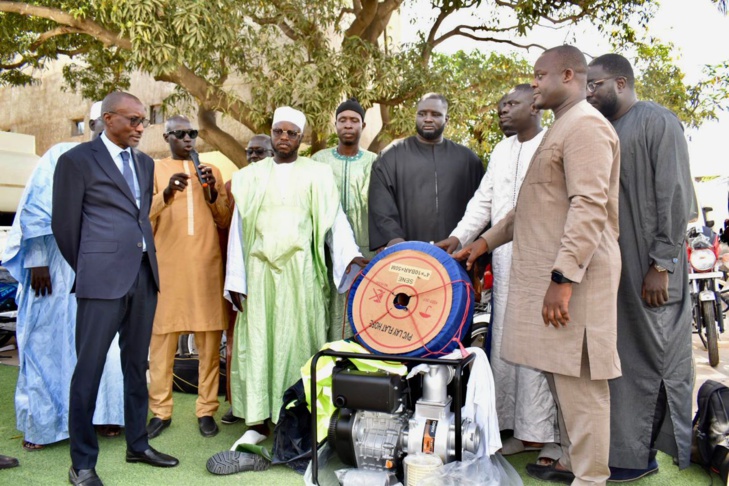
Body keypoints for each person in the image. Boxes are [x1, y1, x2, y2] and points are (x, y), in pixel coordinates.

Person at [456, 45, 621, 485]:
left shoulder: (585, 127)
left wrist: (563, 279)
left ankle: (591, 478)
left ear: (567, 76)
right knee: (562, 384)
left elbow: (589, 207)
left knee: (582, 391)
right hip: (556, 281)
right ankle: (572, 464)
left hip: (575, 284)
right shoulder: (562, 128)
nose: (533, 86)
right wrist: (483, 243)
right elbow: (529, 208)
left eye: (539, 77)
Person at [52, 92, 179, 486]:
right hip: (100, 281)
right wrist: (93, 266)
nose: (142, 127)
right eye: (134, 120)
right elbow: (65, 228)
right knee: (88, 371)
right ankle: (83, 463)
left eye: (144, 120)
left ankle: (137, 444)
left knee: (135, 365)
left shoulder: (143, 163)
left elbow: (140, 216)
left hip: (143, 276)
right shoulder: (75, 161)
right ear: (108, 119)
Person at [436, 85, 560, 465]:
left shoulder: (553, 144)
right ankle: (518, 429)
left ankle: (550, 436)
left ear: (535, 106)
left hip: (544, 258)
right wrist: (459, 237)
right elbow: (483, 202)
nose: (503, 111)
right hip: (503, 260)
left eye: (511, 104)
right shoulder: (501, 151)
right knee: (507, 342)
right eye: (500, 105)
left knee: (543, 347)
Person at [225, 106, 366, 435]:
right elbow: (238, 230)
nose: (284, 138)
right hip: (259, 273)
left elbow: (335, 219)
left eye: (292, 133)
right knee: (259, 344)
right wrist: (235, 279)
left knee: (298, 345)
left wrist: (350, 255)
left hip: (301, 274)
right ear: (271, 134)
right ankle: (258, 420)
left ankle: (296, 418)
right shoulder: (250, 177)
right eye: (279, 132)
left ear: (301, 139)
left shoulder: (316, 174)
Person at [587, 53, 694, 481]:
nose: (589, 92)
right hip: (618, 270)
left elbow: (675, 197)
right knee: (625, 361)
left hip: (652, 269)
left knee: (657, 359)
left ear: (621, 83)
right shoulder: (606, 129)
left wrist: (663, 264)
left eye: (595, 85)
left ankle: (642, 456)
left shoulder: (657, 121)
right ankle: (625, 454)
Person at [2, 103, 125, 453]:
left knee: (104, 345)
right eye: (105, 121)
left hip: (101, 267)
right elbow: (37, 208)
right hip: (55, 269)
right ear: (93, 123)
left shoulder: (124, 161)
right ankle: (43, 425)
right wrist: (37, 260)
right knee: (47, 345)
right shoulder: (62, 153)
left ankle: (105, 415)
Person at [146, 115, 231, 439]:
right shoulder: (155, 170)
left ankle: (206, 409)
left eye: (192, 134)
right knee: (162, 345)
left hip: (207, 268)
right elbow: (144, 216)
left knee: (209, 346)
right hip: (167, 269)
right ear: (167, 137)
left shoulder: (212, 169)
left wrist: (210, 190)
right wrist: (166, 193)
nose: (188, 139)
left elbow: (223, 218)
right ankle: (161, 411)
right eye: (180, 134)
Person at [368, 93, 484, 251]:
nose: (428, 119)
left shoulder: (468, 161)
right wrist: (395, 243)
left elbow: (481, 208)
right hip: (404, 258)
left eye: (435, 114)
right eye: (422, 114)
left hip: (455, 257)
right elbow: (380, 206)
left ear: (446, 119)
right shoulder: (391, 156)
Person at [312, 98, 377, 340]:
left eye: (354, 120)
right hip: (326, 249)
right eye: (343, 120)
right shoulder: (318, 160)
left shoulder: (374, 161)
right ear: (335, 124)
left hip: (366, 246)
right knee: (329, 304)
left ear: (363, 125)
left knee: (364, 304)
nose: (348, 125)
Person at [220, 134, 273, 426]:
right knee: (238, 342)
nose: (253, 156)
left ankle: (269, 405)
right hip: (238, 276)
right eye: (249, 152)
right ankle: (238, 402)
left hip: (274, 279)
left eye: (259, 152)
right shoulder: (234, 185)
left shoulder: (282, 185)